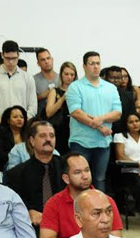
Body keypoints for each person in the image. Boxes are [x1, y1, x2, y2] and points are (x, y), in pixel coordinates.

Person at [38, 152, 124, 238]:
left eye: (87, 170)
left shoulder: (106, 201)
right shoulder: (54, 204)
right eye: (77, 172)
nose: (85, 176)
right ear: (66, 178)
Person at [66, 51, 122, 192]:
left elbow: (117, 113)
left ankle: (98, 206)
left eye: (98, 63)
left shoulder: (110, 88)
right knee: (79, 180)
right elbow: (76, 112)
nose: (96, 67)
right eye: (92, 63)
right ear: (84, 66)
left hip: (103, 143)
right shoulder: (75, 87)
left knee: (99, 179)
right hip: (81, 142)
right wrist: (100, 127)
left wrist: (100, 119)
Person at [5, 121, 65, 225]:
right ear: (32, 141)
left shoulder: (67, 167)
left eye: (52, 136)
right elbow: (12, 205)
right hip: (33, 225)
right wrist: (28, 211)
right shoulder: (17, 174)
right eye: (42, 136)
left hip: (65, 222)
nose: (48, 139)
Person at [0, 40, 37, 131]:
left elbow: (33, 106)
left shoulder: (28, 78)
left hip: (22, 129)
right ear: (2, 55)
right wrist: (5, 123)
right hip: (0, 128)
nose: (11, 62)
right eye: (8, 58)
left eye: (14, 58)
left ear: (18, 55)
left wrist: (21, 122)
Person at [45, 61, 76, 154]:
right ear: (61, 75)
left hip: (74, 130)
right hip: (58, 129)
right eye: (66, 74)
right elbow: (48, 112)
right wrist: (63, 98)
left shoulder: (78, 92)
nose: (69, 77)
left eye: (72, 74)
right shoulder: (54, 91)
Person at [0, 105, 26, 173]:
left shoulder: (27, 133)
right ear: (8, 120)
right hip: (6, 165)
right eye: (15, 117)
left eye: (22, 117)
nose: (19, 119)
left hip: (26, 165)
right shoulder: (0, 132)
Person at [33, 48, 57, 117]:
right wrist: (40, 96)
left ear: (52, 60)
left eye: (48, 58)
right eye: (43, 60)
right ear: (38, 63)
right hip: (41, 119)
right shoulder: (33, 80)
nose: (46, 61)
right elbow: (28, 102)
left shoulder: (62, 78)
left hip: (60, 119)